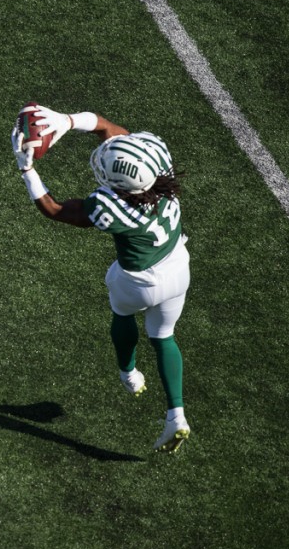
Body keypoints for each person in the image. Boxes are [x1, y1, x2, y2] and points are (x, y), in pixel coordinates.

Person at [11, 105, 191, 453]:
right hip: (178, 266)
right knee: (164, 335)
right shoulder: (158, 161)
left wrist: (27, 168)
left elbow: (56, 210)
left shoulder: (111, 207)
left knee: (121, 314)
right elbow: (112, 131)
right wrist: (68, 121)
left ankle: (129, 374)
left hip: (139, 281)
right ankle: (176, 415)